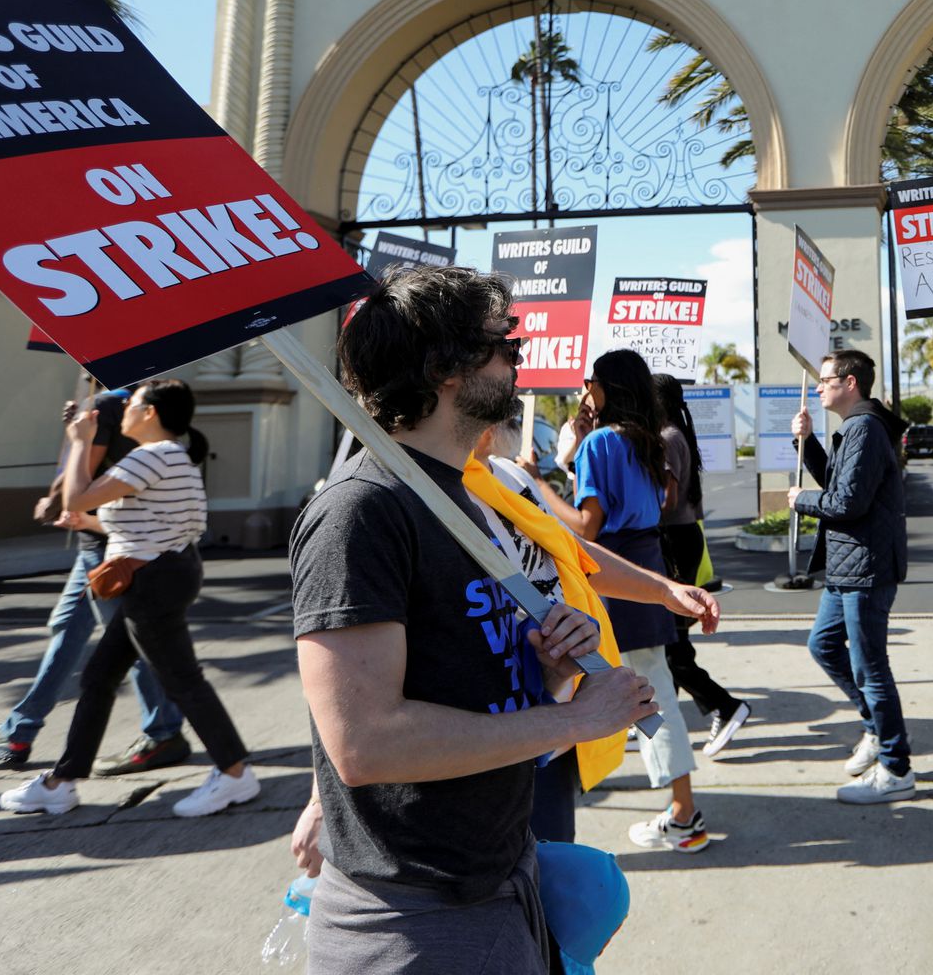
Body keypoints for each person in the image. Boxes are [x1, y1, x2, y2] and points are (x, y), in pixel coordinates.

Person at [286, 265, 656, 974]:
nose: (518, 360)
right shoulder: (360, 512)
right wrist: (577, 721)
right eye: (504, 346)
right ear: (442, 367)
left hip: (496, 882)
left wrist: (547, 672)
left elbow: (473, 688)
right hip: (417, 920)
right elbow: (364, 742)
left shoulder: (460, 501)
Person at [0, 381, 257, 819]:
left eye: (133, 404)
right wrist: (88, 523)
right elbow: (150, 522)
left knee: (182, 680)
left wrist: (80, 441)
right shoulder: (173, 457)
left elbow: (77, 495)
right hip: (161, 575)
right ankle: (61, 782)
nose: (125, 411)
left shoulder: (151, 456)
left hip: (152, 582)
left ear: (151, 413)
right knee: (99, 678)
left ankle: (235, 774)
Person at [0, 389, 189, 774]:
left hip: (107, 549)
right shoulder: (132, 407)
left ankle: (165, 732)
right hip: (105, 545)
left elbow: (81, 480)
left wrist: (54, 494)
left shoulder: (108, 405)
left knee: (131, 643)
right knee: (67, 628)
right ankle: (19, 730)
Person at [573, 349, 713, 853]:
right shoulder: (646, 440)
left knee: (646, 699)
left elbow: (586, 527)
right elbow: (661, 502)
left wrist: (538, 489)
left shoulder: (600, 444)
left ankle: (683, 813)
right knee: (652, 692)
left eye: (590, 381)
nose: (586, 389)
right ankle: (682, 808)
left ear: (606, 387)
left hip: (615, 576)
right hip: (645, 566)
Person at [789, 348, 914, 803]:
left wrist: (800, 500)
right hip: (848, 566)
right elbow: (838, 485)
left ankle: (896, 768)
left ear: (850, 383)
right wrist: (807, 443)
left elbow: (847, 503)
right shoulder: (854, 428)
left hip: (866, 569)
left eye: (826, 380)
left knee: (870, 669)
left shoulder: (865, 428)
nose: (820, 387)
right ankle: (875, 728)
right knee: (823, 645)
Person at [652, 373, 750, 756]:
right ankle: (664, 722)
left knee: (671, 646)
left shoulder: (666, 437)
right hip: (681, 539)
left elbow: (666, 500)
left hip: (674, 542)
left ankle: (726, 706)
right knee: (671, 643)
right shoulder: (676, 433)